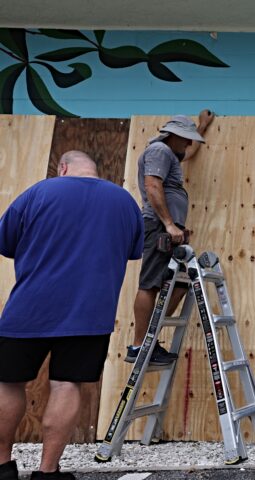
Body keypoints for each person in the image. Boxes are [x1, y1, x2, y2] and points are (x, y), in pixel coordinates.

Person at [0, 151, 144, 480]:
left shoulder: (38, 193)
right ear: (95, 169)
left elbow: (6, 243)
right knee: (66, 385)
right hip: (89, 313)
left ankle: (3, 467)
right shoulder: (124, 202)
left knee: (8, 383)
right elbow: (132, 251)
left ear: (62, 167)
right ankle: (48, 472)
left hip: (28, 310)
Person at [125, 110, 214, 365]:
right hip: (159, 227)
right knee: (150, 283)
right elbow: (153, 185)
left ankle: (150, 342)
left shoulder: (170, 153)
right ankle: (139, 346)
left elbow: (191, 152)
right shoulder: (159, 151)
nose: (188, 142)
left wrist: (202, 126)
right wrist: (168, 224)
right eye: (185, 137)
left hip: (170, 229)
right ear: (172, 135)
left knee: (183, 282)